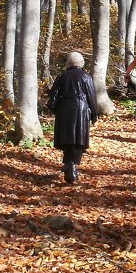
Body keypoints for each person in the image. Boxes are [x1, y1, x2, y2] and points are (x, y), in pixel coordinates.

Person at [47, 51, 98, 184]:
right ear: (81, 63)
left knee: (66, 138)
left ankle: (69, 163)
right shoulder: (86, 77)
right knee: (78, 139)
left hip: (64, 109)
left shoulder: (62, 76)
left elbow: (53, 95)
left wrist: (54, 108)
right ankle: (72, 165)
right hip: (81, 109)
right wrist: (94, 113)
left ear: (68, 63)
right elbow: (91, 96)